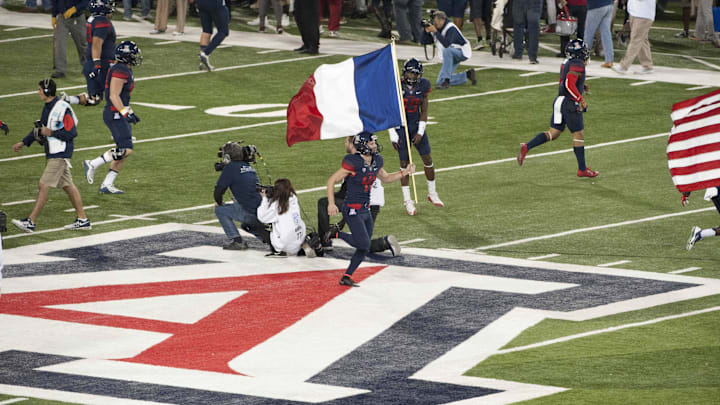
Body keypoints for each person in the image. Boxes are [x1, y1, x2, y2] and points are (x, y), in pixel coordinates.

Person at [326, 132, 415, 287]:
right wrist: (331, 203)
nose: (374, 145)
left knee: (364, 247)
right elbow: (332, 181)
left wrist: (405, 172)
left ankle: (346, 276)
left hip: (366, 209)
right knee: (364, 243)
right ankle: (336, 233)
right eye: (371, 143)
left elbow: (386, 178)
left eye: (374, 143)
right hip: (352, 209)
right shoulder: (352, 162)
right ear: (362, 145)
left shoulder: (377, 161)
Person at [11, 79, 91, 233]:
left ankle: (31, 221)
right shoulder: (48, 107)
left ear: (47, 91)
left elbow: (72, 132)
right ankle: (83, 219)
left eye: (40, 89)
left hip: (60, 153)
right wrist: (24, 142)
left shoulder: (62, 108)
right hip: (54, 152)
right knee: (68, 186)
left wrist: (52, 133)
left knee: (43, 185)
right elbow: (41, 128)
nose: (38, 92)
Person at [517, 39, 599, 178]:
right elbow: (569, 83)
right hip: (569, 103)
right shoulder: (578, 64)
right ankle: (582, 169)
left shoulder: (567, 62)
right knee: (578, 136)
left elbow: (565, 81)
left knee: (553, 133)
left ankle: (527, 146)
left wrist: (581, 86)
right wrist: (580, 99)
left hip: (559, 101)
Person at [318, 136, 402, 256]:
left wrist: (332, 205)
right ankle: (384, 242)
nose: (345, 143)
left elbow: (336, 184)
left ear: (353, 144)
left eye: (347, 141)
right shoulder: (375, 160)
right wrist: (404, 172)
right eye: (372, 143)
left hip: (363, 204)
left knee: (362, 244)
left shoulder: (354, 162)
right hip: (372, 204)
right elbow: (386, 177)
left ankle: (327, 237)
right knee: (363, 243)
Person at [82, 41, 142, 194]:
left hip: (118, 112)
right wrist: (125, 113)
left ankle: (107, 184)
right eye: (133, 54)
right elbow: (113, 95)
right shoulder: (120, 70)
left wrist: (129, 111)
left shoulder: (123, 69)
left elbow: (122, 96)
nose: (136, 57)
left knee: (124, 149)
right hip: (114, 113)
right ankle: (93, 163)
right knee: (125, 150)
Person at [389, 58, 444, 216]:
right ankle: (408, 200)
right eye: (409, 73)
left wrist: (420, 131)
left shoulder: (424, 85)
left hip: (415, 123)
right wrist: (393, 134)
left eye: (415, 74)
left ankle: (432, 193)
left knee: (427, 159)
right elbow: (390, 111)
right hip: (400, 125)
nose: (412, 77)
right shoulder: (397, 85)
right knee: (404, 164)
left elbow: (424, 110)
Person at [213, 142, 270, 250]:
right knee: (245, 224)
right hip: (261, 210)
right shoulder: (248, 166)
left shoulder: (230, 169)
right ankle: (267, 238)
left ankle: (237, 241)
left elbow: (218, 192)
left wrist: (219, 203)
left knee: (219, 210)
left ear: (227, 157)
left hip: (249, 212)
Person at [61, 0, 116, 107]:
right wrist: (97, 65)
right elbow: (96, 44)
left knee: (95, 98)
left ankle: (68, 100)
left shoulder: (93, 19)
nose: (110, 8)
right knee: (115, 93)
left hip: (91, 62)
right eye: (107, 5)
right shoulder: (102, 22)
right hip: (100, 63)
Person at [423, 10, 475, 90]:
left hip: (462, 52)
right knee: (439, 81)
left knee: (447, 50)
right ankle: (467, 75)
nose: (435, 24)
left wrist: (436, 32)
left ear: (442, 20)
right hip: (451, 54)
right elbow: (424, 41)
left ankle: (446, 81)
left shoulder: (451, 28)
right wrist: (425, 31)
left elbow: (447, 44)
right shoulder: (438, 28)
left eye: (436, 21)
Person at [256, 178, 307, 256]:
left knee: (253, 226)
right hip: (299, 239)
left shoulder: (277, 205)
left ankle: (278, 251)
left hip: (284, 245)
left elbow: (262, 218)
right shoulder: (293, 198)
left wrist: (265, 198)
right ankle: (300, 248)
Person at [612, 0, 655, 74]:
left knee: (635, 40)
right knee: (643, 40)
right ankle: (647, 66)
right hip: (635, 12)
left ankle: (624, 66)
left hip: (643, 14)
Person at [51, 0, 88, 79]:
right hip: (62, 17)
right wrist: (54, 15)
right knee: (59, 43)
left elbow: (86, 1)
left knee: (82, 44)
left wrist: (75, 9)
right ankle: (60, 70)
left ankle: (87, 66)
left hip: (77, 18)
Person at [192, 0, 230, 71]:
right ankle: (206, 53)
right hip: (214, 2)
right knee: (223, 31)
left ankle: (202, 62)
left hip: (201, 2)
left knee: (206, 30)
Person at [584, 0, 614, 68]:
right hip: (609, 4)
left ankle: (584, 58)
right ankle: (609, 60)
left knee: (589, 33)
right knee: (606, 34)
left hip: (596, 6)